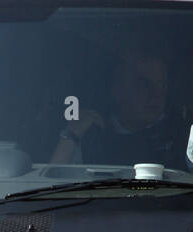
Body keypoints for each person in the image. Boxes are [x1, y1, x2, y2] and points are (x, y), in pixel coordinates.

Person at [52, 49, 184, 165]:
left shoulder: (182, 132)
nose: (156, 94)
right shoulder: (91, 133)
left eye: (161, 85)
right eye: (144, 85)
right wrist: (71, 134)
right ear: (117, 90)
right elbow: (54, 186)